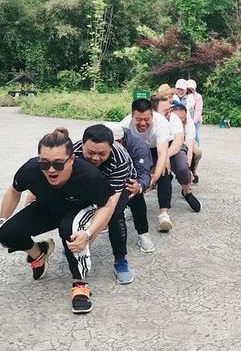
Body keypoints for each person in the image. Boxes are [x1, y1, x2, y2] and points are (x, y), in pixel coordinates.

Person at [0, 128, 114, 314]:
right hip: (47, 208)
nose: (51, 170)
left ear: (71, 159)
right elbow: (14, 191)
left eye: (58, 164)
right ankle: (39, 253)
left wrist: (88, 233)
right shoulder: (30, 169)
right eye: (44, 164)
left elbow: (106, 206)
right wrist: (2, 220)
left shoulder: (89, 176)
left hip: (78, 211)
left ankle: (80, 284)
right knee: (4, 234)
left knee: (71, 232)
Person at [73, 124, 137, 284]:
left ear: (111, 147)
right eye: (90, 152)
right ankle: (74, 243)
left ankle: (120, 260)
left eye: (102, 154)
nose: (95, 158)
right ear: (82, 144)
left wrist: (88, 239)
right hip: (89, 181)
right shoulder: (72, 153)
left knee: (114, 215)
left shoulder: (120, 160)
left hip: (119, 185)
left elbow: (109, 206)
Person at [120, 97, 175, 232]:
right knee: (129, 174)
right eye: (138, 119)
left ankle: (164, 214)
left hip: (156, 148)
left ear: (152, 115)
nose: (143, 123)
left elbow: (162, 153)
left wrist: (154, 177)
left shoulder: (160, 123)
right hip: (135, 151)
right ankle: (128, 205)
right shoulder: (125, 124)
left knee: (164, 170)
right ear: (132, 116)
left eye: (146, 119)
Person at [112, 123, 156, 253]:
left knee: (135, 193)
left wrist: (140, 186)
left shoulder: (138, 146)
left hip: (131, 176)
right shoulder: (95, 141)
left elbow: (144, 173)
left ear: (121, 140)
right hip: (106, 175)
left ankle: (143, 233)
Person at [187, 78, 203, 146]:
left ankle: (197, 148)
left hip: (195, 119)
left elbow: (198, 110)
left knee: (195, 134)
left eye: (192, 89)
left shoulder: (198, 96)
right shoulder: (185, 95)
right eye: (189, 88)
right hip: (187, 118)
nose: (190, 90)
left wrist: (194, 121)